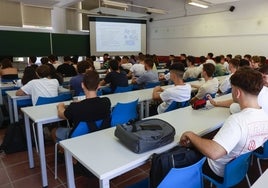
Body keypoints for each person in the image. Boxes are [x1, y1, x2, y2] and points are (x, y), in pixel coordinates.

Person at [180, 67, 268, 182]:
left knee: (185, 150)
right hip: (238, 167)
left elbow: (214, 153)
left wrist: (190, 134)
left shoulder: (237, 121)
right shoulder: (264, 116)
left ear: (237, 92)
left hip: (218, 169)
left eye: (232, 88)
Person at [52, 70, 111, 142]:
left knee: (54, 131)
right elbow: (91, 105)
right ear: (98, 86)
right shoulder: (106, 102)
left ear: (82, 85)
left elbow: (61, 115)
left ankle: (66, 151)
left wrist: (60, 105)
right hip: (97, 135)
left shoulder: (75, 107)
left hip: (78, 137)